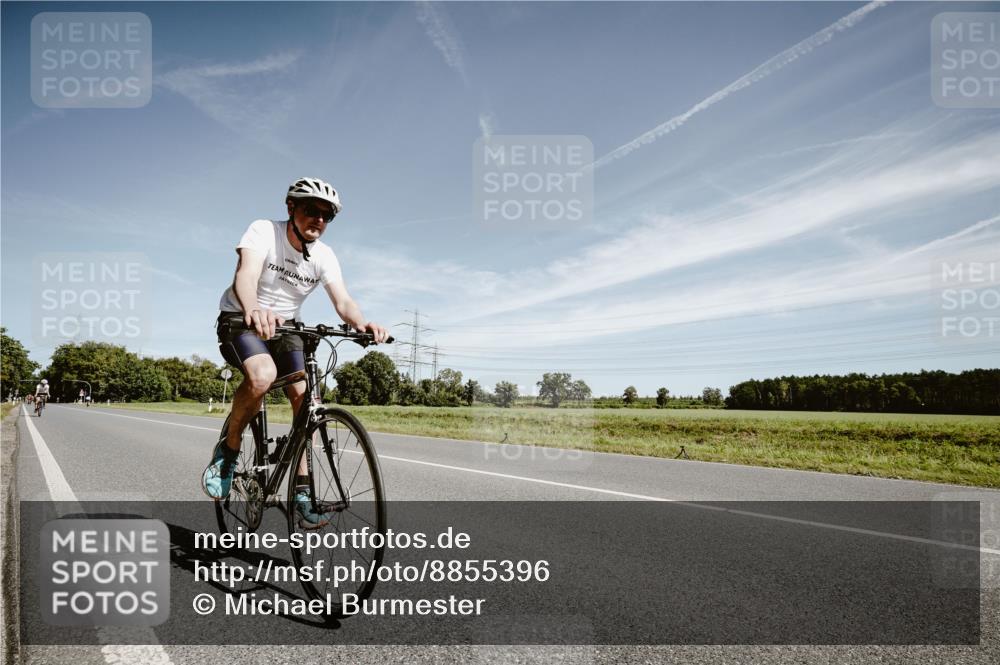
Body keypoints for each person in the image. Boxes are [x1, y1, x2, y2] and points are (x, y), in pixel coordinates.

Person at [202, 177, 388, 528]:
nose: (318, 219)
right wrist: (254, 308)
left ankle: (302, 492)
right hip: (241, 319)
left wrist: (363, 324)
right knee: (262, 376)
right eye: (311, 210)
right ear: (291, 208)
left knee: (306, 400)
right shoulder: (263, 231)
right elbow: (246, 274)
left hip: (287, 327)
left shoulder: (324, 256)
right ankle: (228, 452)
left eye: (326, 215)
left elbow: (343, 300)